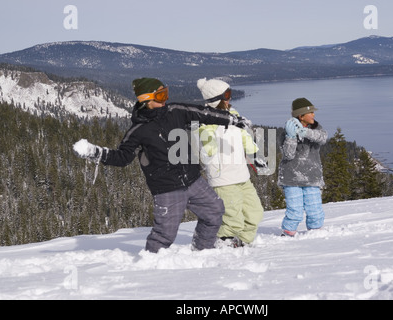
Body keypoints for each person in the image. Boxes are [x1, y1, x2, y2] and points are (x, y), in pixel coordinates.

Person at [73, 78, 251, 253]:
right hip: (167, 189)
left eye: (165, 93)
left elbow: (204, 113)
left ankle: (202, 251)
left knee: (214, 211)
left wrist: (231, 120)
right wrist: (95, 152)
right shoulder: (138, 131)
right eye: (160, 96)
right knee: (164, 235)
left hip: (193, 180)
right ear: (146, 101)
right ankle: (152, 266)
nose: (165, 99)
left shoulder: (176, 111)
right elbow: (122, 157)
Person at [197, 78, 265, 247]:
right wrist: (218, 123)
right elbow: (207, 149)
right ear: (215, 99)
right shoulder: (205, 121)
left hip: (242, 174)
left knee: (255, 212)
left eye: (230, 94)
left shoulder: (233, 114)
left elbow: (244, 137)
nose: (229, 99)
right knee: (233, 216)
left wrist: (255, 154)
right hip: (224, 178)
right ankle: (223, 241)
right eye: (226, 95)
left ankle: (243, 240)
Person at [278, 98, 328, 237]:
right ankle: (288, 232)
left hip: (312, 176)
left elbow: (322, 138)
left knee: (315, 209)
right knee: (294, 209)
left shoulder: (317, 129)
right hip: (291, 177)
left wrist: (305, 133)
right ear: (301, 115)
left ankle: (315, 232)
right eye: (310, 112)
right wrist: (291, 137)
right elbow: (288, 154)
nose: (313, 115)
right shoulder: (286, 132)